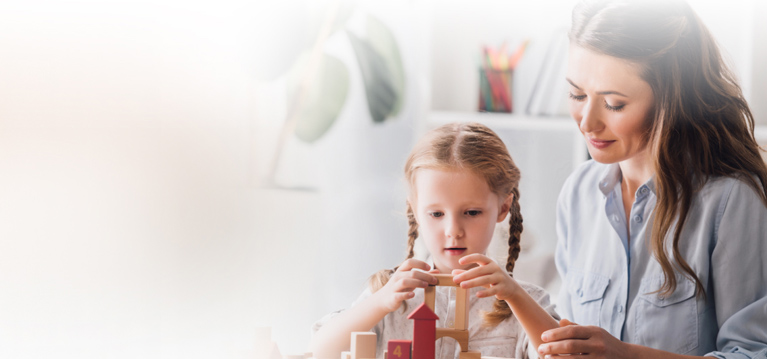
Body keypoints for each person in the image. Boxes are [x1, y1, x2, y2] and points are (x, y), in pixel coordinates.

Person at [535, 0, 767, 358]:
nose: (587, 122)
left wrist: (628, 355)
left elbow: (752, 352)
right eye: (577, 94)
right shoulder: (578, 193)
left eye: (614, 104)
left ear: (671, 101)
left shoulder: (730, 201)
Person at [309, 123, 560, 359]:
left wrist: (514, 295)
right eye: (436, 214)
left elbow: (560, 353)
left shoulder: (526, 302)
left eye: (472, 213)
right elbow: (321, 349)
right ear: (415, 211)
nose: (453, 230)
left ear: (503, 208)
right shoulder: (390, 294)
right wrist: (381, 302)